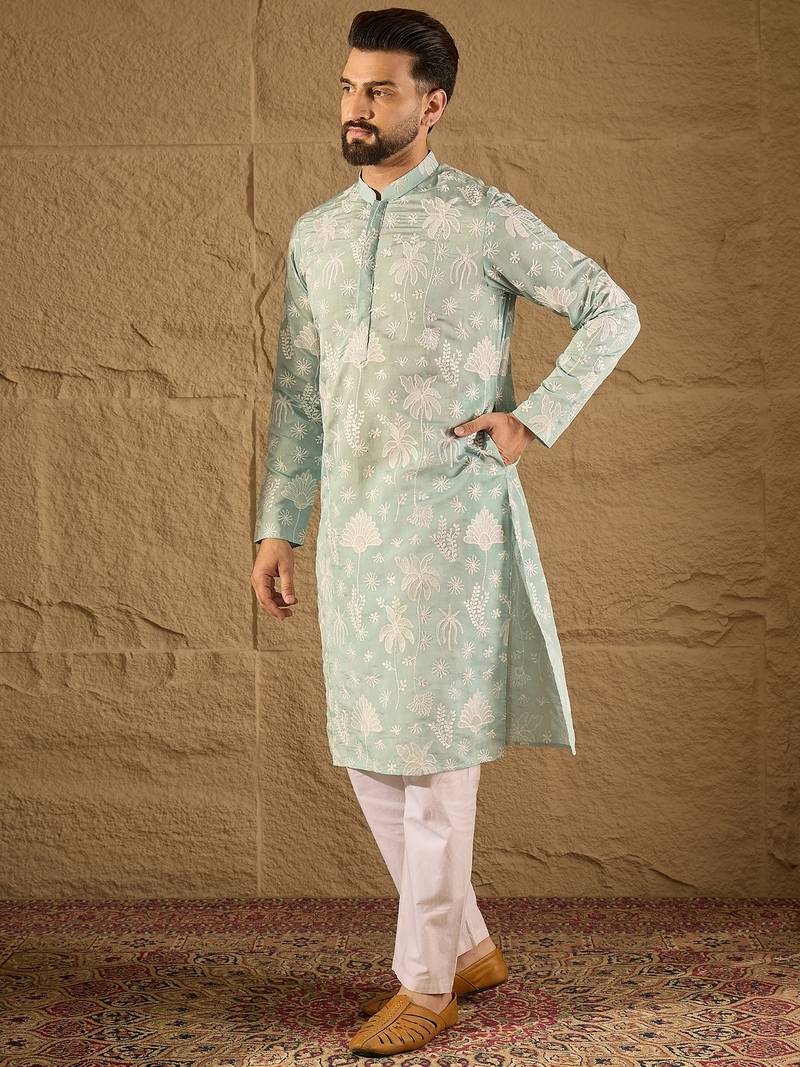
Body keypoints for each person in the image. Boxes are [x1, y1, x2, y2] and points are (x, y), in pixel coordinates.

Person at [250, 7, 641, 1055]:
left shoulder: (479, 216)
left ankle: (423, 984)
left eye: (378, 91)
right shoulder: (317, 234)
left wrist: (530, 419)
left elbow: (609, 307)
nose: (356, 107)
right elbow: (298, 393)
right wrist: (279, 524)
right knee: (370, 756)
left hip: (450, 529)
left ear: (432, 105)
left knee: (434, 765)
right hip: (354, 530)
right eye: (348, 87)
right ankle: (462, 941)